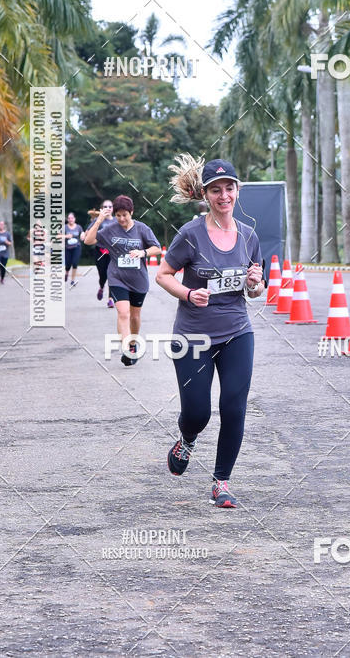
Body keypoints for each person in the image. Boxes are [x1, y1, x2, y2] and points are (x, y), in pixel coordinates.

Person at [156, 154, 264, 509]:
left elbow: (255, 290)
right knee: (198, 413)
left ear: (237, 191)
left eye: (229, 188)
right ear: (205, 194)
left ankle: (221, 482)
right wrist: (189, 293)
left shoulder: (249, 236)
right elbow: (163, 275)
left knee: (234, 406)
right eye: (215, 190)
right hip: (193, 335)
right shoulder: (190, 234)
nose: (223, 195)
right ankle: (187, 439)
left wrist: (254, 283)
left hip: (236, 332)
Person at [83, 194, 161, 366]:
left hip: (138, 280)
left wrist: (143, 252)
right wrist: (99, 220)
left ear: (131, 212)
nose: (121, 219)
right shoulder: (110, 229)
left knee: (134, 316)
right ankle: (127, 349)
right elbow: (89, 240)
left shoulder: (142, 229)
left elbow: (157, 248)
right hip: (117, 278)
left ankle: (132, 343)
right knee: (123, 313)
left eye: (125, 215)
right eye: (118, 215)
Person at [85, 200, 115, 308]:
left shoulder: (117, 221)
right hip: (100, 252)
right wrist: (83, 235)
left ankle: (110, 299)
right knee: (103, 275)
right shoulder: (97, 221)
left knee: (111, 275)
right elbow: (87, 234)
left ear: (113, 208)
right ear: (102, 208)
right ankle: (101, 287)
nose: (108, 208)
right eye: (105, 206)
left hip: (113, 253)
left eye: (110, 206)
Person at [62, 213, 84, 287]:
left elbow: (82, 233)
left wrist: (82, 235)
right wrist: (66, 236)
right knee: (68, 264)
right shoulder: (64, 227)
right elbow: (58, 236)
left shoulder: (78, 227)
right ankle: (66, 273)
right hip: (68, 248)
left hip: (76, 247)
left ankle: (72, 280)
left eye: (72, 218)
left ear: (74, 219)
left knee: (75, 263)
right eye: (69, 218)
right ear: (67, 219)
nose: (70, 219)